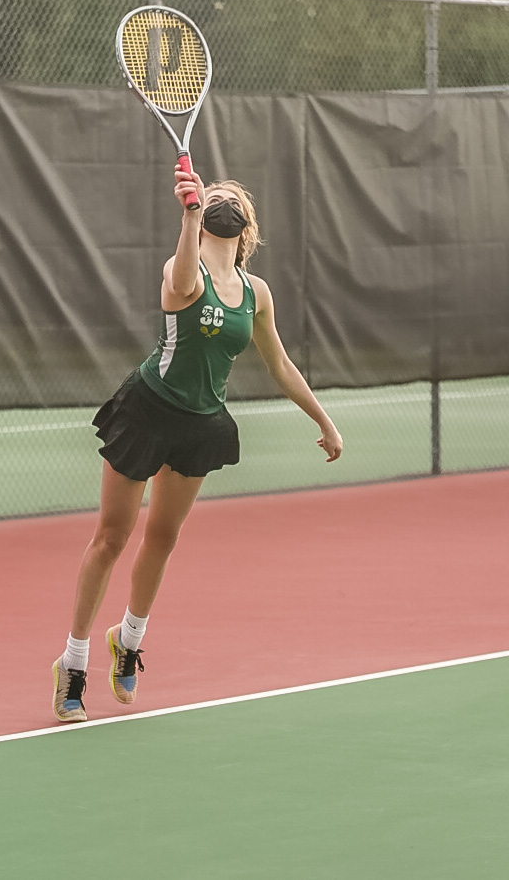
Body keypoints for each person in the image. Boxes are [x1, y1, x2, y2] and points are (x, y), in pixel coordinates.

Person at [52, 164, 343, 722]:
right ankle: (73, 662)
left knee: (162, 536)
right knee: (112, 538)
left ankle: (129, 641)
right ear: (204, 216)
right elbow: (182, 285)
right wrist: (187, 216)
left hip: (200, 423)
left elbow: (280, 364)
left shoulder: (256, 293)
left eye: (233, 198)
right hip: (147, 411)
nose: (224, 200)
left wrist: (323, 420)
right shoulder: (181, 265)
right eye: (215, 197)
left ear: (246, 228)